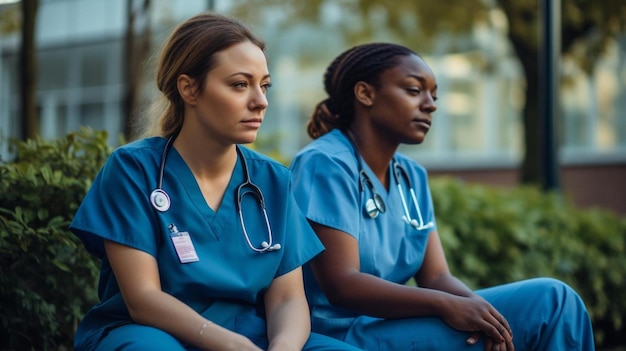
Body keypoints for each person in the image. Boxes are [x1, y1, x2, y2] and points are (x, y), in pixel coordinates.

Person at [69, 12, 362, 351]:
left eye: (264, 86)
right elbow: (143, 298)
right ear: (189, 88)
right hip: (153, 333)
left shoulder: (273, 180)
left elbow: (287, 300)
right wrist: (229, 345)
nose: (260, 101)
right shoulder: (133, 170)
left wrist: (282, 348)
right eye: (240, 84)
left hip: (253, 336)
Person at [289, 42, 595, 351]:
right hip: (342, 332)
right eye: (414, 90)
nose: (430, 105)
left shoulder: (411, 176)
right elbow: (343, 284)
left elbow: (436, 276)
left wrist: (485, 315)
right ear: (365, 94)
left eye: (434, 96)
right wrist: (445, 305)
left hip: (393, 324)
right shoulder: (325, 163)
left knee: (554, 300)